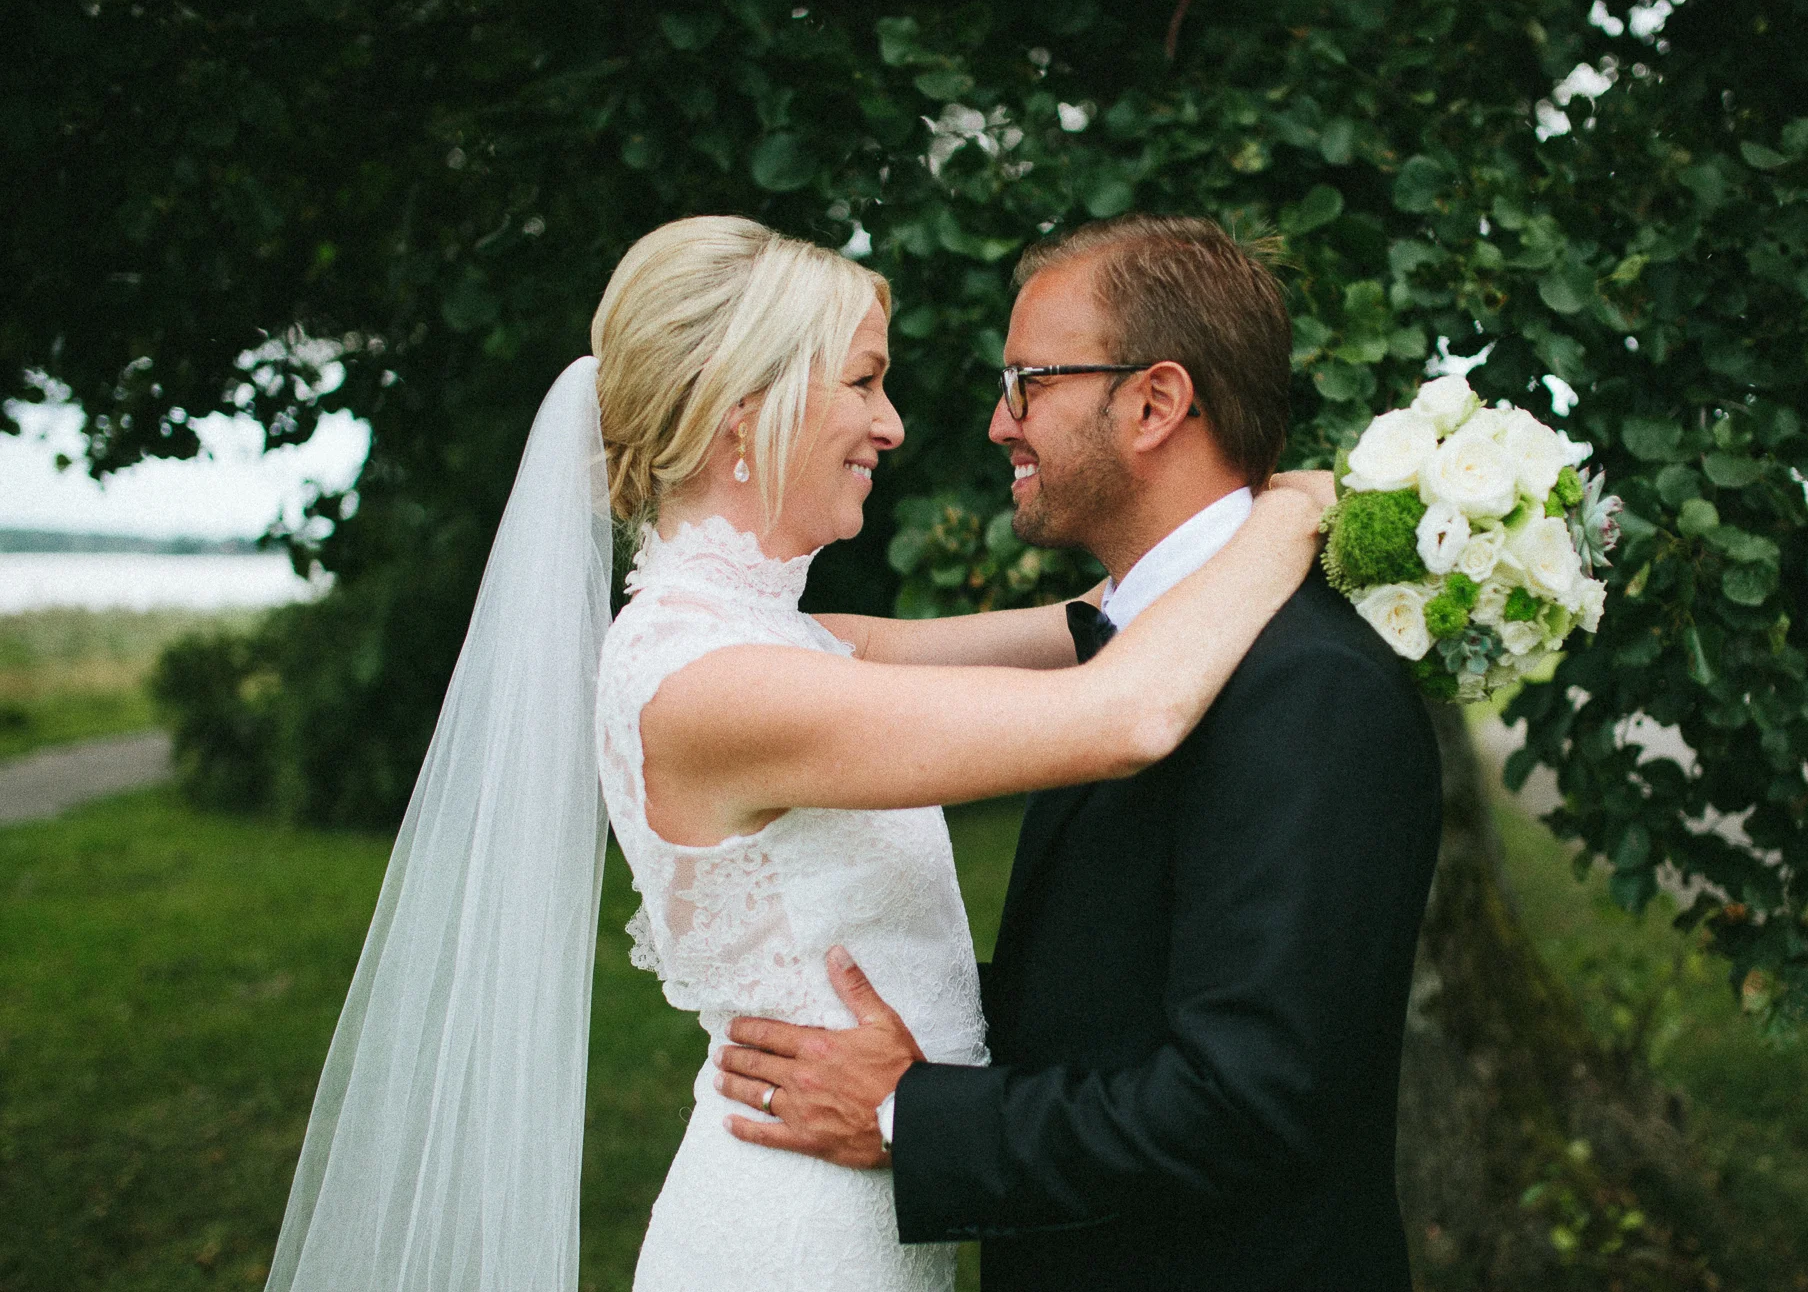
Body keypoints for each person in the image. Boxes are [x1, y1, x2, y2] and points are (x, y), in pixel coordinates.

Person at [262, 215, 1332, 1292]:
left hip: (864, 1199)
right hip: (792, 1237)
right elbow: (1122, 714)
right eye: (864, 382)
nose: (894, 425)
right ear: (744, 408)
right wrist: (1290, 517)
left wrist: (1225, 519)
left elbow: (1094, 621)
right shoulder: (711, 686)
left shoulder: (787, 639)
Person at [717, 215, 1445, 1291]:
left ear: (1153, 402)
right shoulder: (1137, 652)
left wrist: (906, 1113)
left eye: (1027, 382)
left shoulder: (1310, 686)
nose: (996, 422)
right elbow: (1108, 992)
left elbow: (1246, 1102)